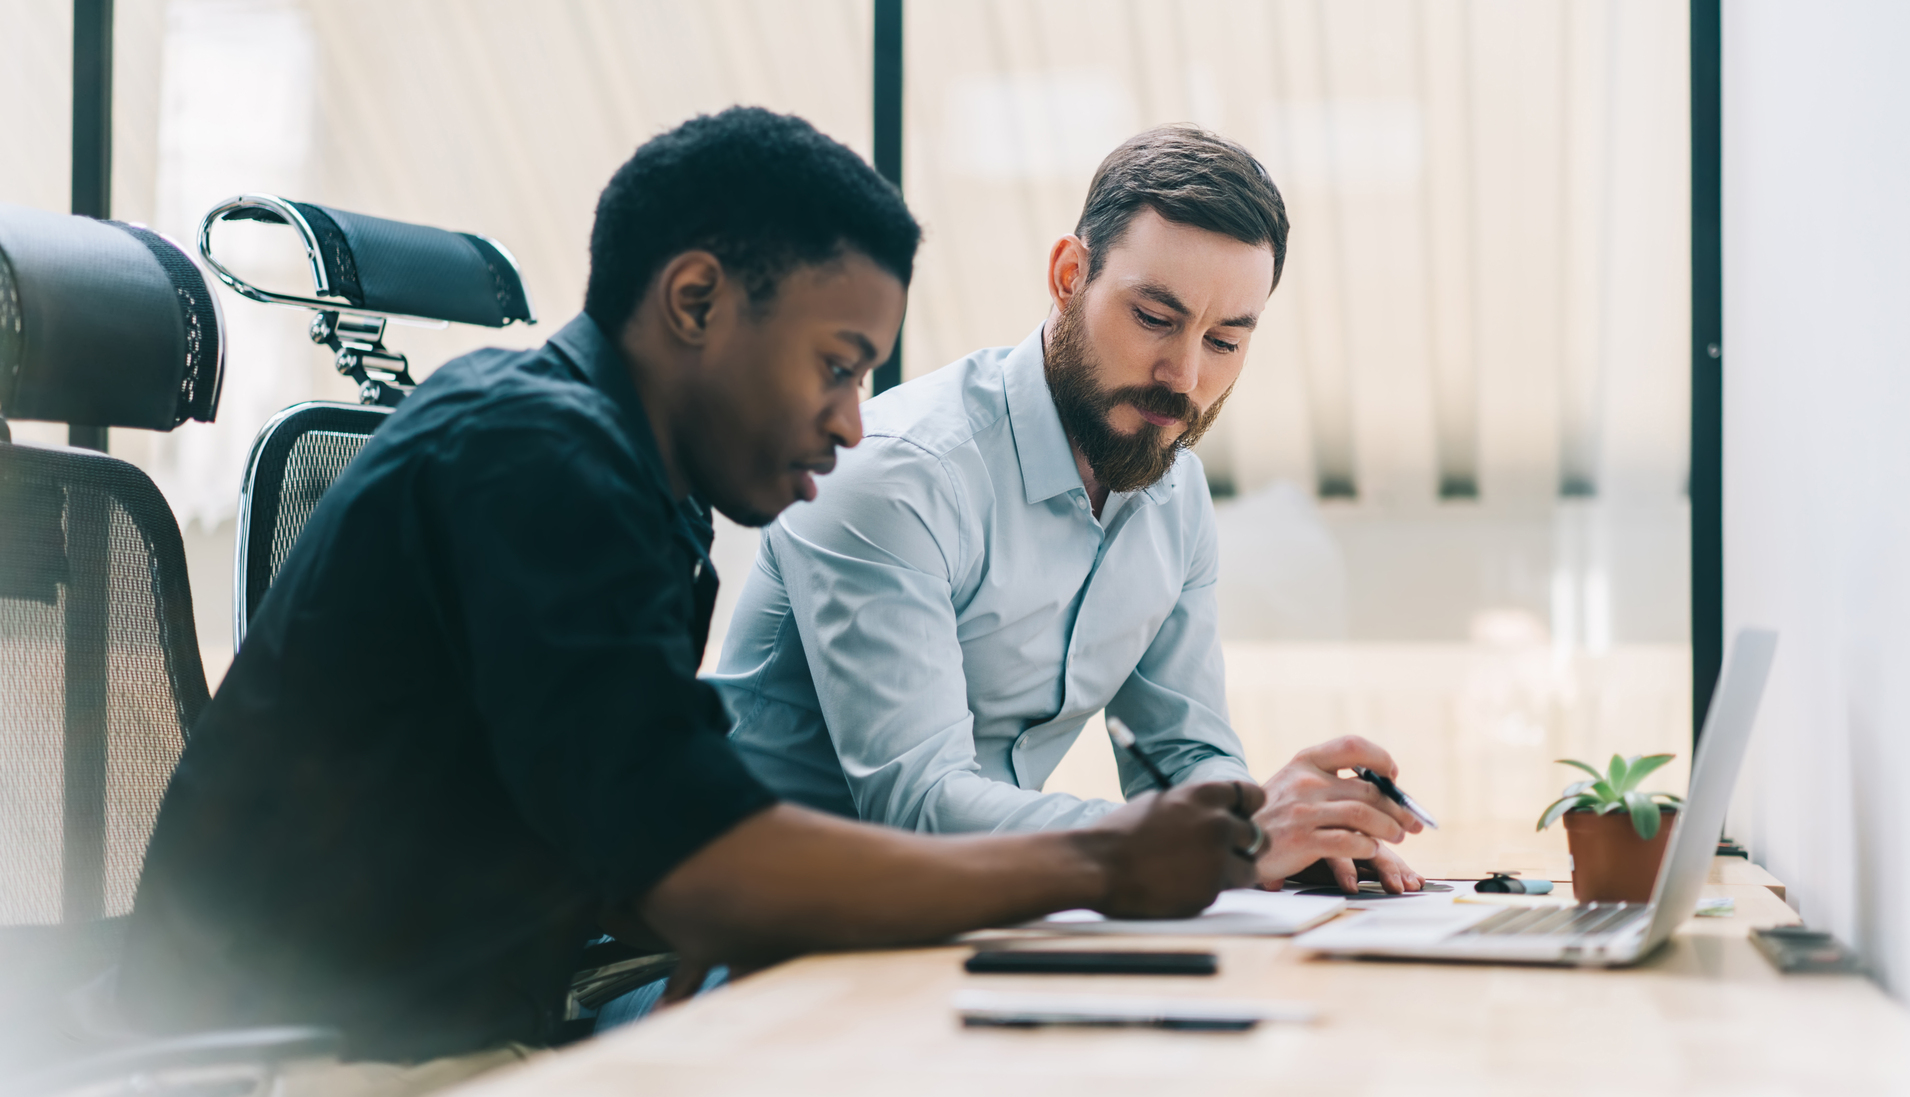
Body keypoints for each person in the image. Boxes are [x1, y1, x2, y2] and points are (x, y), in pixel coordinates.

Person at [115, 108, 1262, 1091]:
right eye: (836, 363)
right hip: (310, 1060)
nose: (856, 420)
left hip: (449, 1028)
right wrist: (1104, 862)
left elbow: (649, 828)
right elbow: (703, 855)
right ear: (698, 301)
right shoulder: (538, 458)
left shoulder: (634, 490)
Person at [716, 125, 1427, 895]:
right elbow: (913, 806)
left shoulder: (1172, 492)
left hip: (966, 919)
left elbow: (1183, 755)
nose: (1182, 375)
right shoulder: (898, 475)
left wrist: (1288, 834)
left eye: (1224, 340)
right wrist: (1235, 837)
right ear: (1067, 275)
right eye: (1154, 318)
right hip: (754, 934)